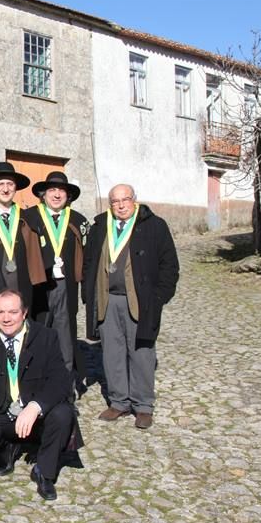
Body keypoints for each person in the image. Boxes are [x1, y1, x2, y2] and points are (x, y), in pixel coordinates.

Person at [82, 184, 179, 430]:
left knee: (142, 352)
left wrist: (158, 298)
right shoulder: (100, 226)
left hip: (139, 301)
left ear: (134, 200)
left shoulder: (154, 226)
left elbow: (170, 266)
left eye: (125, 199)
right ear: (110, 204)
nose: (121, 205)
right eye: (115, 201)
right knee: (111, 352)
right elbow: (89, 261)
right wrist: (88, 293)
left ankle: (143, 405)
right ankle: (119, 402)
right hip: (107, 299)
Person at [0, 290, 80, 501]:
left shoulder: (46, 337)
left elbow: (60, 381)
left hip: (33, 416)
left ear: (24, 312)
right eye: (0, 312)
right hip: (1, 413)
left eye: (13, 312)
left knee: (63, 414)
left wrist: (36, 406)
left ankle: (44, 472)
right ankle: (5, 452)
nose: (6, 318)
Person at [24, 172, 89, 386]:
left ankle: (65, 382)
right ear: (43, 194)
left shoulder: (78, 221)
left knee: (65, 334)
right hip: (38, 286)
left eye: (61, 190)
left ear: (68, 195)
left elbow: (89, 256)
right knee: (37, 330)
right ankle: (36, 381)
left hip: (67, 287)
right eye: (52, 190)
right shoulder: (28, 217)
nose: (57, 194)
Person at [0, 162, 45, 310]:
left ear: (16, 188)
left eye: (10, 184)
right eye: (1, 184)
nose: (6, 189)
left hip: (22, 286)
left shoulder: (28, 217)